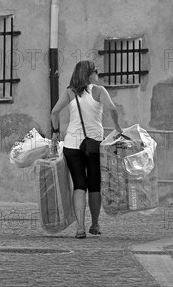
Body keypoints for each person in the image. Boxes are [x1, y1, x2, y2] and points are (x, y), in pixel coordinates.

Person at [50, 60, 123, 239]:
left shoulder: (69, 92)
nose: (98, 73)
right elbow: (112, 109)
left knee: (79, 184)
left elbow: (54, 112)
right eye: (95, 71)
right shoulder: (99, 90)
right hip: (93, 144)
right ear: (89, 74)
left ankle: (80, 227)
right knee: (94, 184)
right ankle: (95, 224)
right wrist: (117, 127)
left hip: (72, 145)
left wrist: (55, 132)